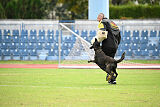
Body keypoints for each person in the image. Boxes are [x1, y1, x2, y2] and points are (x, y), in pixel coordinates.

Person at [97, 13, 121, 84]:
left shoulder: (103, 22)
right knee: (111, 62)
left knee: (100, 61)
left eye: (97, 18)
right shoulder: (112, 23)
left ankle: (110, 74)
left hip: (107, 45)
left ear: (100, 18)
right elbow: (119, 35)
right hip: (114, 46)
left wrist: (96, 42)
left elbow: (102, 34)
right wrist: (116, 44)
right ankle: (113, 79)